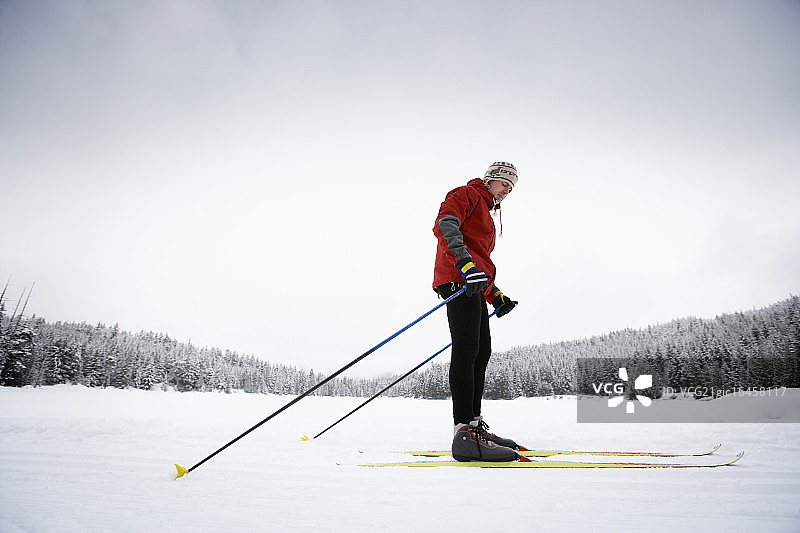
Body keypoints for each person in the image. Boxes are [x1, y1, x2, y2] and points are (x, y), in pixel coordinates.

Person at [432, 162, 520, 462]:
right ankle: (464, 433)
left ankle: (473, 424)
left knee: (481, 351)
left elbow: (480, 260)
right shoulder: (468, 194)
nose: (507, 190)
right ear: (491, 179)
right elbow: (445, 224)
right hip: (457, 277)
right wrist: (465, 265)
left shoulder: (486, 210)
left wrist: (495, 295)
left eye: (512, 187)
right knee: (467, 349)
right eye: (504, 183)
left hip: (471, 282)